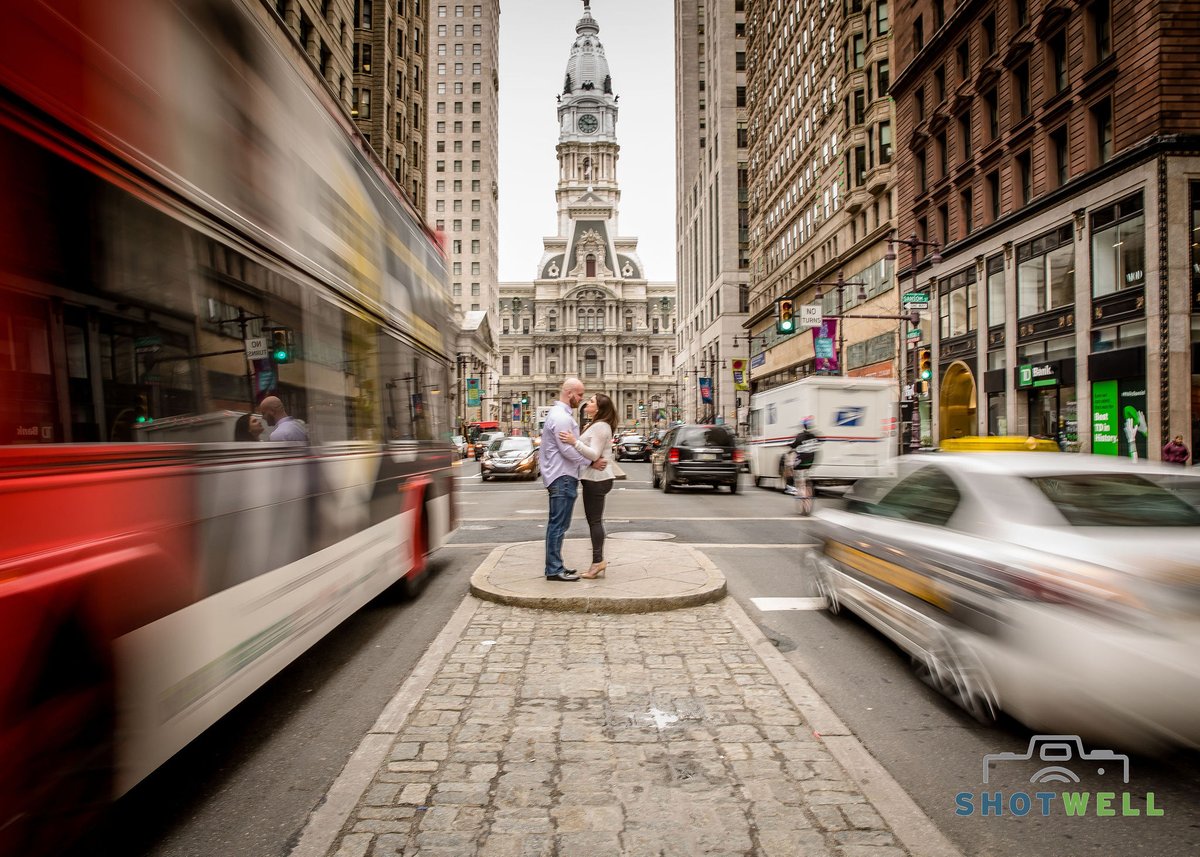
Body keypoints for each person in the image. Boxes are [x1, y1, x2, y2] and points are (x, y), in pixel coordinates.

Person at [540, 378, 605, 582]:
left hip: (562, 475)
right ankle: (553, 569)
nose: (582, 399)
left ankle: (556, 565)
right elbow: (566, 450)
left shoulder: (561, 415)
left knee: (559, 524)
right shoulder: (561, 417)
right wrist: (589, 462)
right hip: (562, 476)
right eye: (579, 395)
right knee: (558, 525)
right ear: (569, 393)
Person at [559, 393, 617, 579]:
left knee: (594, 522)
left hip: (597, 479)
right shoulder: (596, 425)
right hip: (595, 477)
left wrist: (574, 441)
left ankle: (597, 562)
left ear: (598, 408)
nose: (587, 404)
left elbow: (594, 454)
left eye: (591, 402)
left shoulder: (601, 426)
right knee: (595, 521)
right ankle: (597, 561)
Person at [784, 418, 820, 496]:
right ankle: (807, 484)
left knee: (789, 468)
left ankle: (791, 488)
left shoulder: (800, 436)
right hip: (811, 462)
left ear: (803, 426)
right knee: (805, 470)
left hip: (801, 462)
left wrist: (788, 446)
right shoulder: (814, 436)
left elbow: (793, 445)